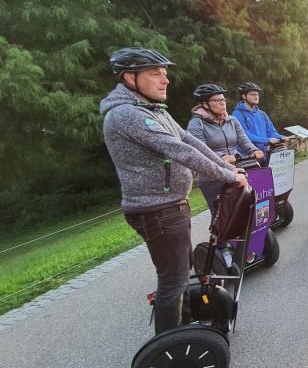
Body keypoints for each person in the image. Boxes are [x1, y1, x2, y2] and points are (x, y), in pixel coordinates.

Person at [100, 48, 247, 335]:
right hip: (156, 210)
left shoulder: (154, 111)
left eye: (165, 74)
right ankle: (173, 345)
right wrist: (227, 174)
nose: (165, 80)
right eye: (155, 73)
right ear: (130, 78)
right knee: (173, 281)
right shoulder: (127, 115)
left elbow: (192, 142)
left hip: (170, 206)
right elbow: (178, 151)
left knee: (178, 277)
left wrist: (229, 171)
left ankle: (183, 328)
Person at [187, 84, 263, 266]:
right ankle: (221, 249)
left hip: (236, 172)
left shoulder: (231, 120)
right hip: (212, 176)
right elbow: (199, 150)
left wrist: (253, 150)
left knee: (243, 207)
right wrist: (222, 157)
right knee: (221, 213)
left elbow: (243, 140)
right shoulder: (196, 124)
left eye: (223, 100)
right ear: (205, 104)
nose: (222, 103)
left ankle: (242, 243)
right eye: (217, 100)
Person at [231, 82, 286, 158]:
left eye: (257, 95)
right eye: (253, 94)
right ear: (244, 96)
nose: (256, 97)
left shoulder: (262, 114)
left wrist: (281, 137)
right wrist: (267, 140)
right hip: (249, 157)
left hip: (265, 154)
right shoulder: (237, 114)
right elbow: (244, 136)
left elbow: (271, 132)